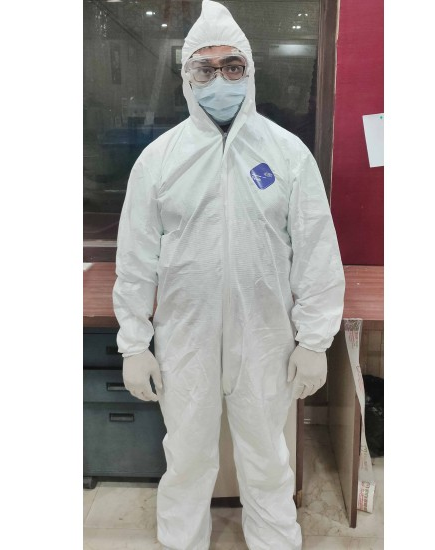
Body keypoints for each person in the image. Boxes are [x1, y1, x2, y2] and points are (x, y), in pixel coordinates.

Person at [112, 1, 345, 548]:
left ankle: (275, 540)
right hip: (185, 338)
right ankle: (181, 540)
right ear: (187, 76)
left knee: (266, 456)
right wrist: (134, 344)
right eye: (206, 68)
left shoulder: (287, 155)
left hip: (265, 337)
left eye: (232, 67)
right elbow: (136, 259)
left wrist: (314, 341)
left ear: (250, 72)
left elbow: (316, 251)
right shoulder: (159, 160)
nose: (220, 80)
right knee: (187, 457)